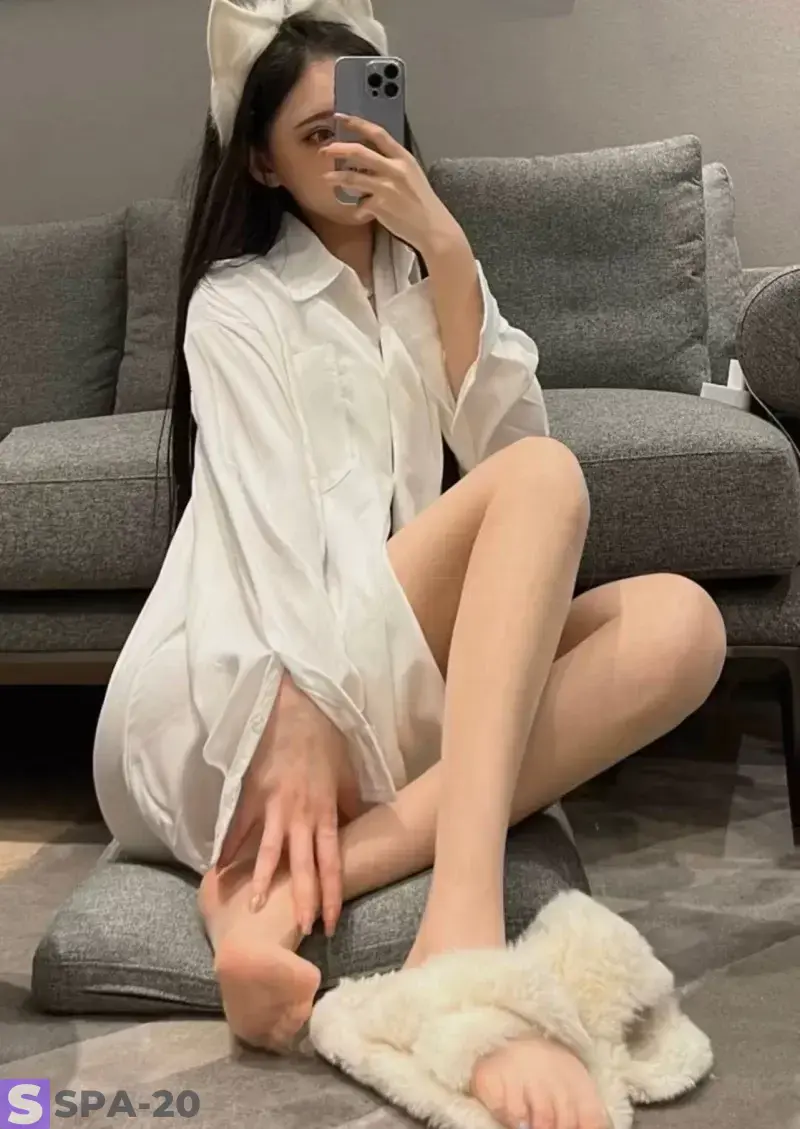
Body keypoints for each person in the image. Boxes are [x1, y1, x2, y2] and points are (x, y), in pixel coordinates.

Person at [93, 1, 727, 1126]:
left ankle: (269, 900)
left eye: (368, 119)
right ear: (263, 164)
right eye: (316, 135)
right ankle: (460, 930)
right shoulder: (237, 302)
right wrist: (297, 703)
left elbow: (504, 441)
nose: (353, 152)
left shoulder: (424, 276)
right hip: (245, 684)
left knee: (683, 625)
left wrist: (448, 250)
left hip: (374, 681)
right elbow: (261, 520)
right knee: (544, 479)